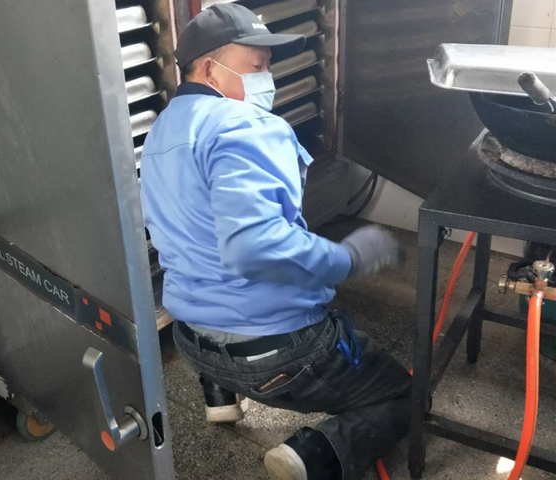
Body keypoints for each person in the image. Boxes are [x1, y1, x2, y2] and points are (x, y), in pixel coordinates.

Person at [140, 4, 412, 480]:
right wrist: (349, 257)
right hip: (277, 356)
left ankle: (219, 398)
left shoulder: (162, 129)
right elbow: (254, 246)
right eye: (256, 65)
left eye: (268, 65)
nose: (268, 77)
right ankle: (315, 454)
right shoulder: (243, 125)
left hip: (192, 340)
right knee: (404, 393)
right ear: (210, 69)